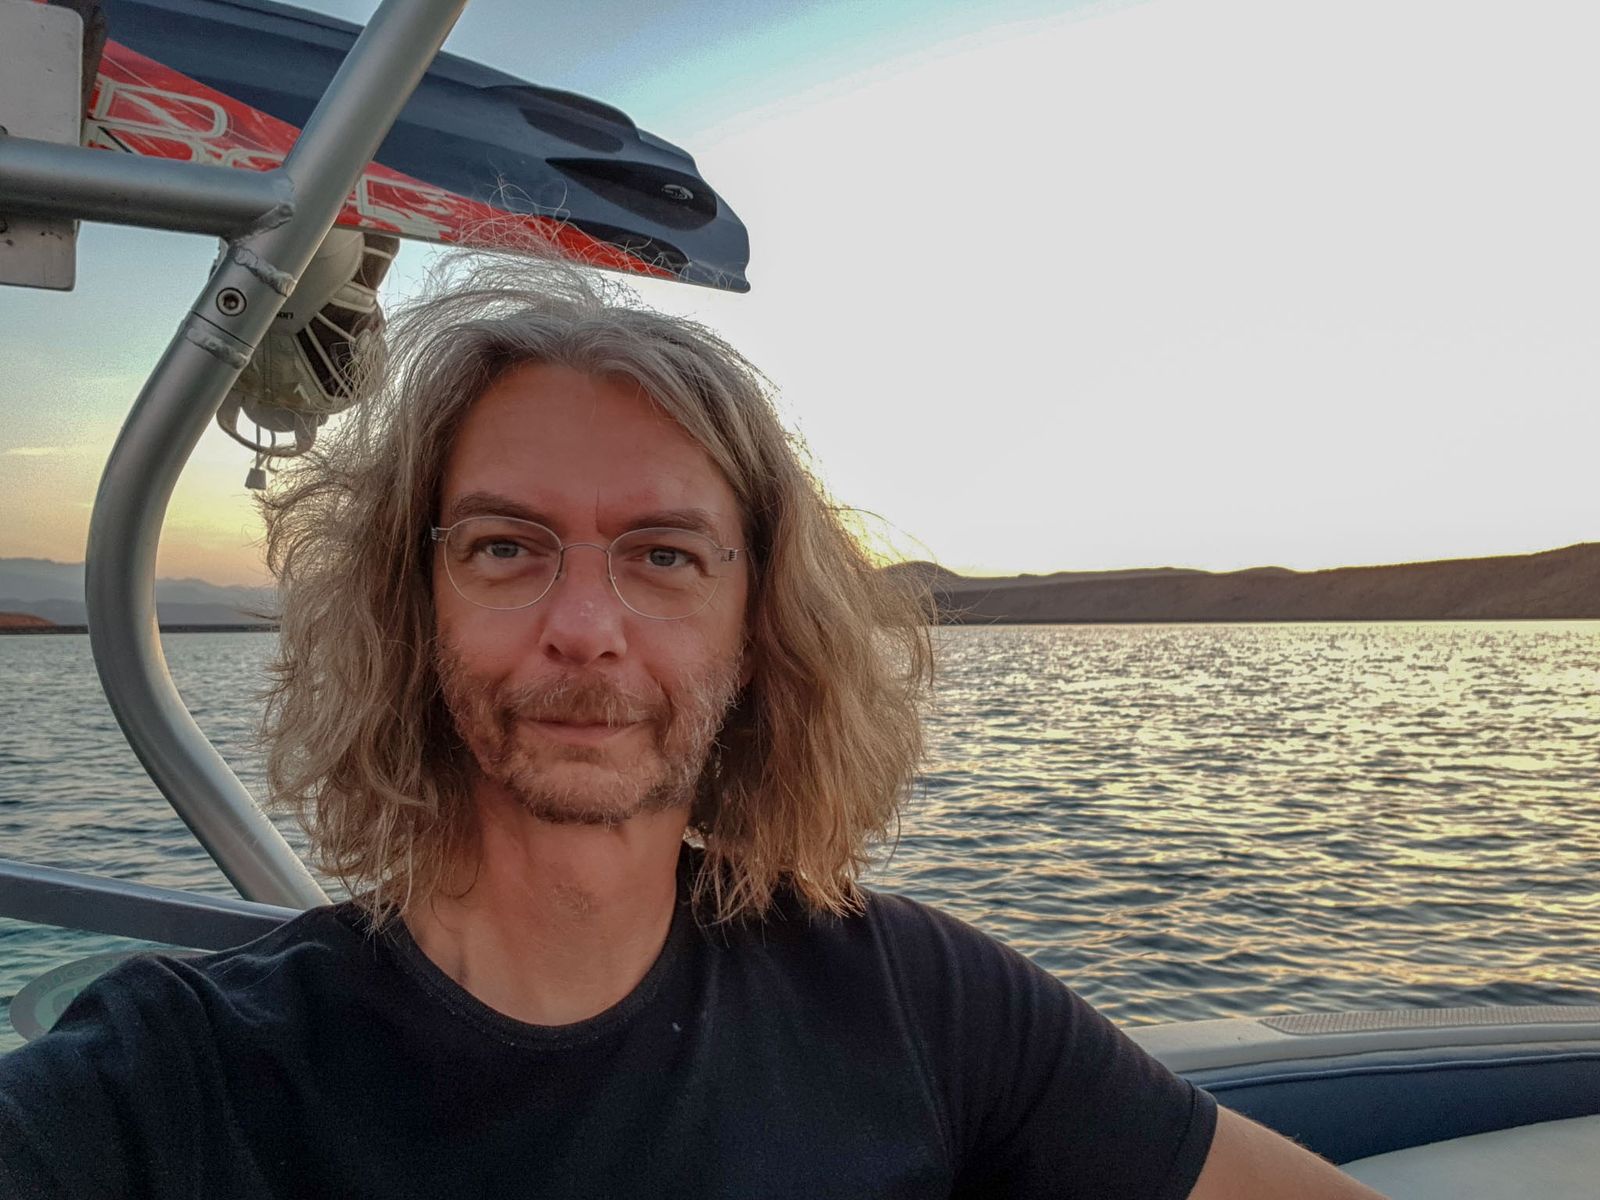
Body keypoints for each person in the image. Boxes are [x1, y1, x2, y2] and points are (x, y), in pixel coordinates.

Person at [0, 253, 1386, 1199]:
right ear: (411, 610)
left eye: (663, 556)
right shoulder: (181, 1080)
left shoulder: (920, 1004)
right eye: (504, 546)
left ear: (756, 623)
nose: (585, 626)